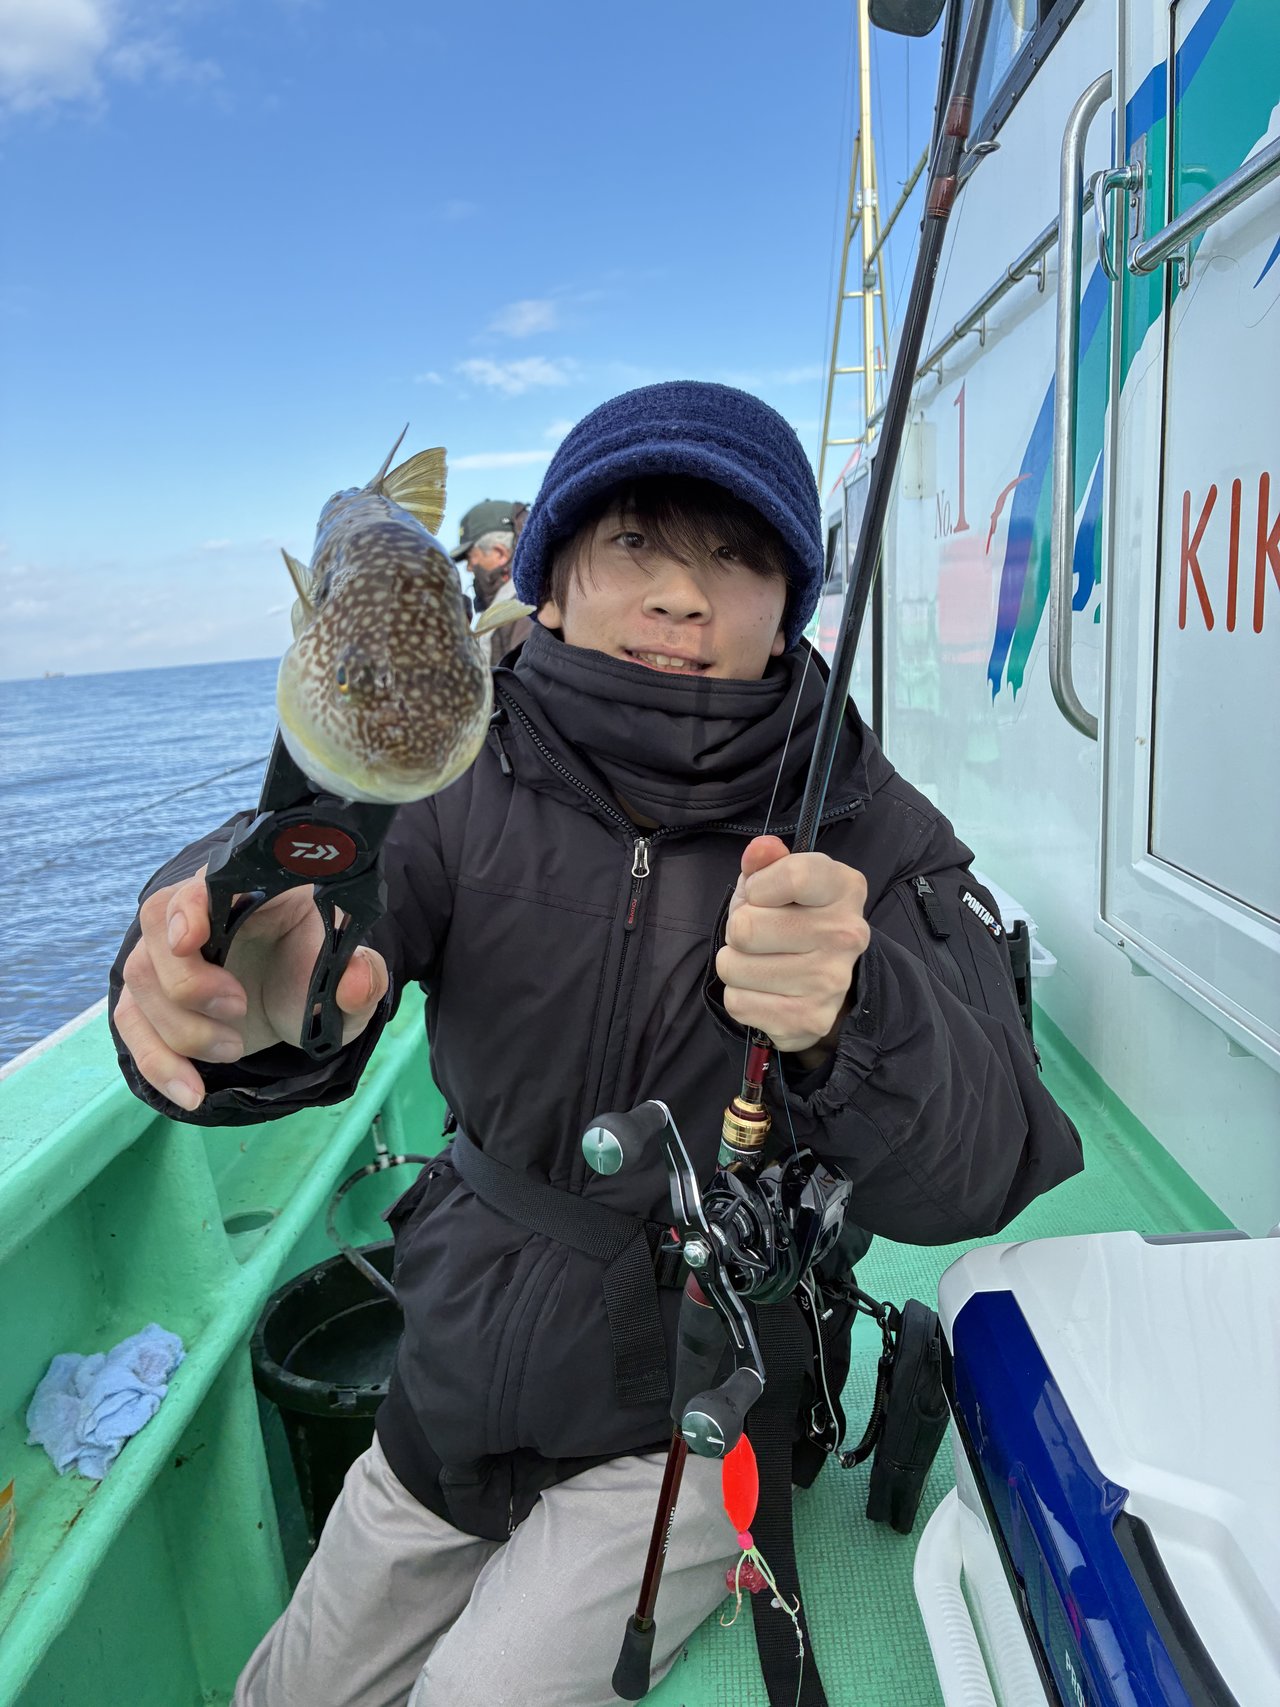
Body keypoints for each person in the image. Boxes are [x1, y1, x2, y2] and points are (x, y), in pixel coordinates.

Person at [107, 381, 1083, 1707]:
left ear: (787, 606)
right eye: (632, 543)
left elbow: (991, 1161)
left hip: (693, 1412)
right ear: (547, 587)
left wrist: (857, 1014)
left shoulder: (869, 822)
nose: (681, 596)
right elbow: (311, 909)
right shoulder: (451, 770)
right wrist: (235, 990)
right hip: (450, 1379)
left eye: (734, 556)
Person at [452, 498, 536, 663]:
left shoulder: (524, 611)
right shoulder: (527, 599)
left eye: (470, 557)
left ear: (499, 554)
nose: (468, 568)